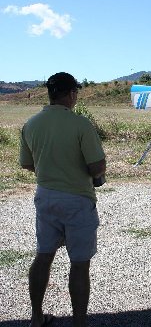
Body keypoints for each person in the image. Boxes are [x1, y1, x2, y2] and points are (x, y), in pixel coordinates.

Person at [20, 72, 106, 327]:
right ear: (71, 94)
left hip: (45, 197)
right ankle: (79, 322)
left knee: (43, 256)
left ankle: (36, 318)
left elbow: (27, 164)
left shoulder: (31, 124)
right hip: (77, 199)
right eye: (75, 93)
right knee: (79, 264)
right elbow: (97, 167)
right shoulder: (81, 124)